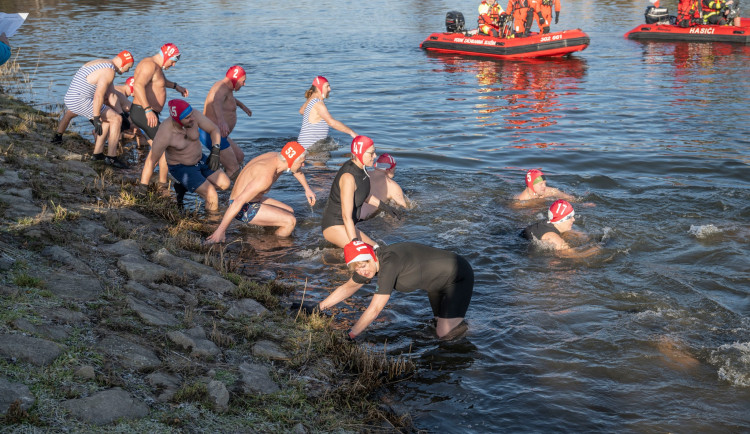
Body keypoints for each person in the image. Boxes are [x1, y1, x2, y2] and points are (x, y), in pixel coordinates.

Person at [311, 240, 473, 340]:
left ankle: (479, 331)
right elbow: (349, 287)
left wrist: (351, 334)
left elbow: (375, 308)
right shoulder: (371, 265)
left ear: (372, 256)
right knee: (437, 324)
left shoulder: (389, 263)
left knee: (443, 334)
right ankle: (457, 324)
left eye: (364, 265)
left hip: (457, 277)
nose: (362, 271)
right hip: (436, 284)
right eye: (357, 268)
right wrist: (316, 309)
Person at [206, 141, 312, 241]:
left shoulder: (276, 157)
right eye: (302, 162)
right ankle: (274, 246)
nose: (303, 165)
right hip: (242, 207)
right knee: (290, 221)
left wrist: (307, 190)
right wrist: (220, 231)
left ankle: (265, 234)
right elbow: (238, 201)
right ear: (291, 162)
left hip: (252, 199)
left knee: (290, 211)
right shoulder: (265, 177)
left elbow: (296, 170)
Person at [139, 99, 229, 211]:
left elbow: (214, 129)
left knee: (225, 184)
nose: (192, 118)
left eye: (191, 115)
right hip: (181, 167)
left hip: (200, 159)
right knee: (212, 195)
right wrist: (142, 189)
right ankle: (211, 224)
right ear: (177, 120)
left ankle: (183, 187)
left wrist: (215, 151)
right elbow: (151, 161)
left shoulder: (193, 115)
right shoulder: (165, 133)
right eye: (187, 118)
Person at [321, 136, 401, 249]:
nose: (375, 156)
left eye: (375, 152)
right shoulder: (348, 177)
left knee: (378, 248)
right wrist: (355, 242)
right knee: (372, 252)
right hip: (335, 225)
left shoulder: (362, 169)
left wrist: (386, 207)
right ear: (359, 153)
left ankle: (335, 254)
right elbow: (346, 216)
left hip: (347, 224)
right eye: (371, 153)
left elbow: (363, 194)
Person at [62, 50, 135, 168]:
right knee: (116, 120)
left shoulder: (105, 64)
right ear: (123, 63)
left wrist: (122, 113)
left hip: (72, 97)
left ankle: (98, 154)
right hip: (80, 99)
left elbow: (111, 95)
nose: (128, 70)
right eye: (129, 67)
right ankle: (112, 158)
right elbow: (98, 95)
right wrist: (96, 117)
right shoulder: (109, 71)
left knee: (109, 119)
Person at [132, 43, 188, 186]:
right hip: (142, 111)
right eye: (173, 61)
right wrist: (147, 110)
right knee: (164, 147)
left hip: (147, 112)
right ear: (167, 56)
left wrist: (177, 87)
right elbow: (137, 85)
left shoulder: (156, 67)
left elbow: (160, 82)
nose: (173, 65)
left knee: (160, 146)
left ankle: (154, 181)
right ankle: (159, 184)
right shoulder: (149, 65)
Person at [201, 65, 252, 179]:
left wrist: (243, 106)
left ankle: (221, 178)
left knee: (239, 157)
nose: (244, 84)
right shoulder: (221, 87)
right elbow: (216, 102)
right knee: (234, 169)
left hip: (219, 134)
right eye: (243, 81)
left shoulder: (227, 89)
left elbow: (229, 99)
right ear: (235, 79)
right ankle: (225, 193)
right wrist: (222, 122)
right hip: (212, 133)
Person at [522, 199, 601, 258]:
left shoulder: (552, 223)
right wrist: (598, 249)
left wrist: (596, 238)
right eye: (570, 217)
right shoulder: (553, 238)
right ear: (561, 219)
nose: (573, 219)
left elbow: (583, 235)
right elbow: (574, 256)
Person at [298, 76, 357, 151]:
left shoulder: (311, 99)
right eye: (327, 86)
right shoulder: (318, 104)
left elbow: (301, 111)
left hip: (302, 146)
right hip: (311, 149)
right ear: (319, 87)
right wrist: (351, 132)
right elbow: (331, 122)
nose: (330, 89)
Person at [359, 153, 408, 220]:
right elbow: (404, 208)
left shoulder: (362, 174)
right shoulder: (392, 185)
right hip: (364, 222)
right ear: (390, 169)